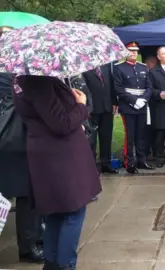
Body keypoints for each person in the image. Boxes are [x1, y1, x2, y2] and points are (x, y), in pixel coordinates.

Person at [13, 75, 101, 270]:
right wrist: (81, 105)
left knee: (56, 213)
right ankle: (65, 264)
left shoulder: (22, 79)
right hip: (60, 157)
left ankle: (52, 263)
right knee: (73, 212)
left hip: (50, 154)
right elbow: (61, 123)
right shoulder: (39, 81)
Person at [0, 73, 43, 264]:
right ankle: (28, 247)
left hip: (13, 141)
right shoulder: (12, 77)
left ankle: (32, 241)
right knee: (26, 194)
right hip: (14, 141)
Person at [113, 41, 155, 174]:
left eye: (135, 51)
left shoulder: (143, 67)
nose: (133, 53)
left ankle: (141, 160)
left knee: (141, 135)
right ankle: (129, 162)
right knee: (130, 136)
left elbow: (149, 86)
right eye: (131, 51)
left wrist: (144, 99)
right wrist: (134, 101)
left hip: (142, 105)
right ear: (125, 52)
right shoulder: (119, 68)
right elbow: (119, 89)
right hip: (128, 106)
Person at [83, 63, 119, 174]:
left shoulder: (105, 67)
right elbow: (84, 89)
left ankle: (106, 164)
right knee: (91, 140)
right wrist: (86, 107)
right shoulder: (84, 68)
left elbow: (111, 85)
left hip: (107, 108)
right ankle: (92, 167)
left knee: (106, 137)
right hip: (92, 110)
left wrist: (114, 102)